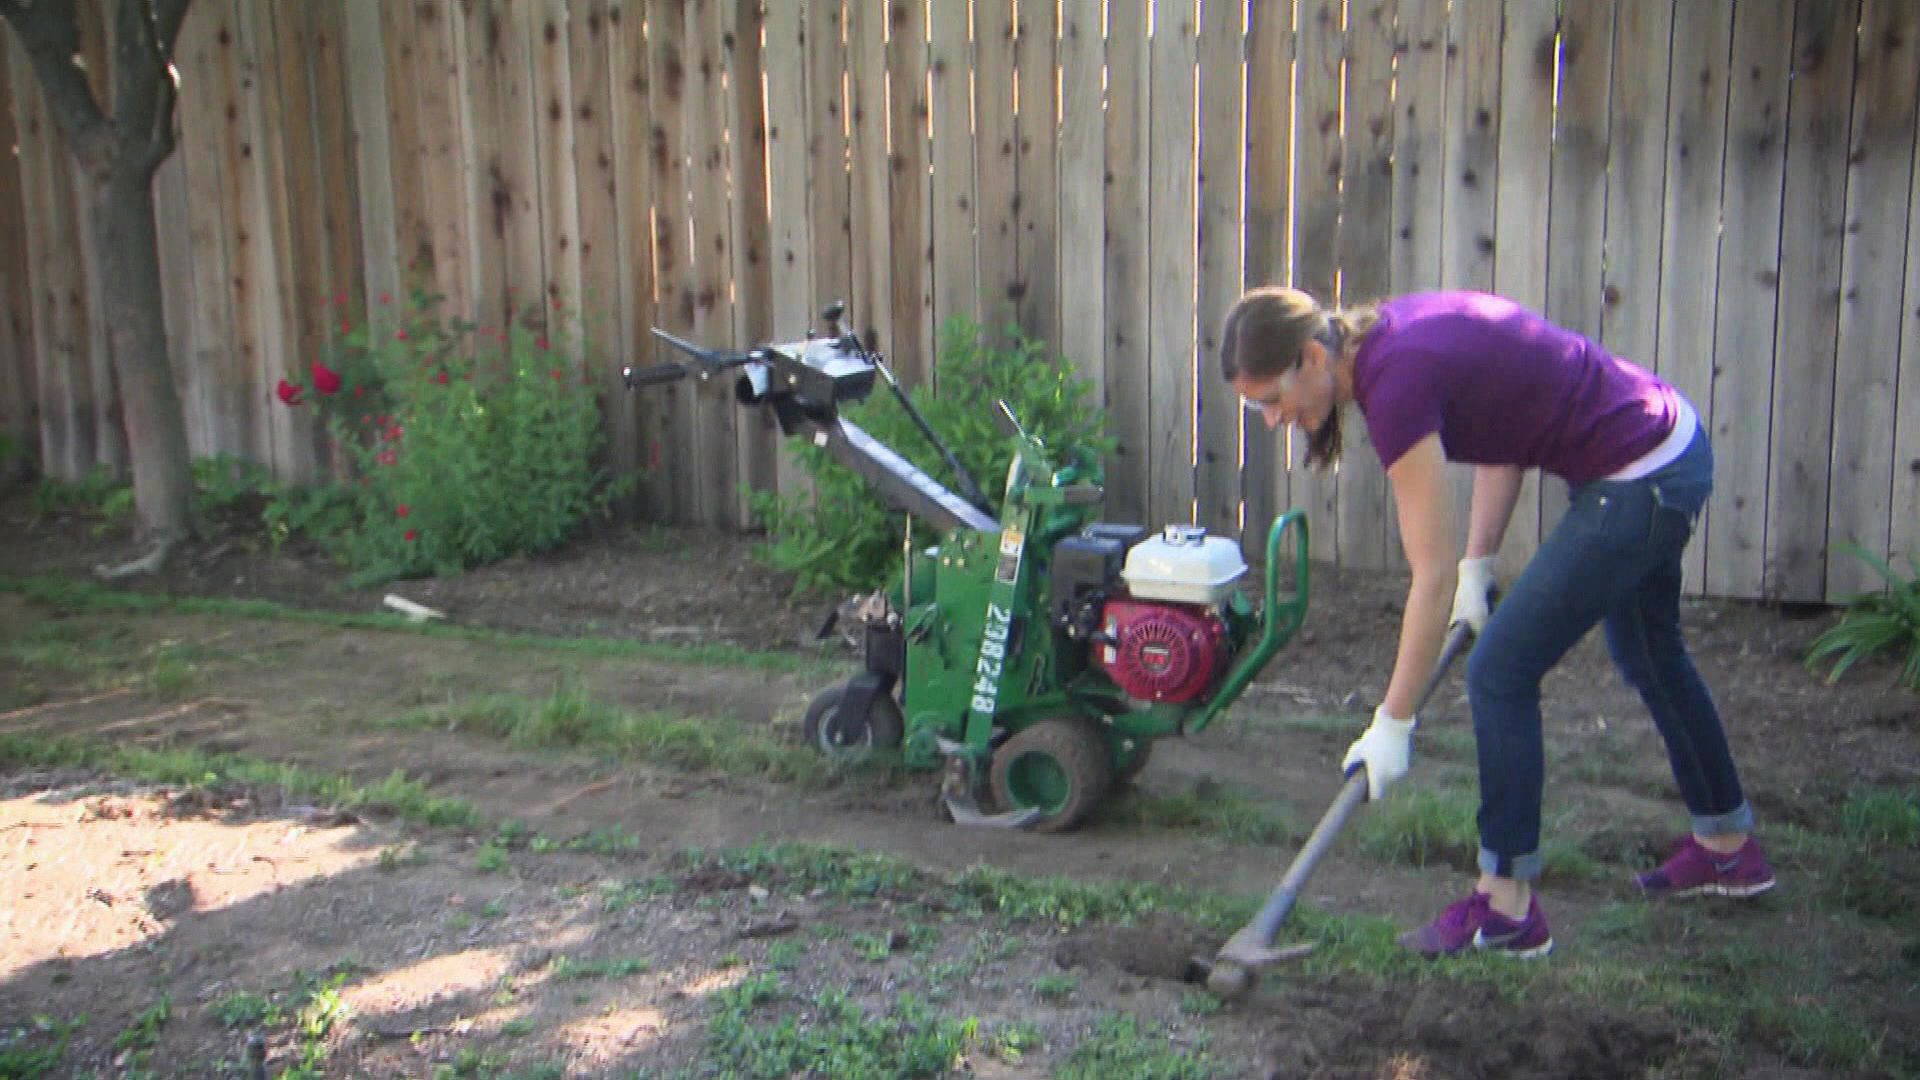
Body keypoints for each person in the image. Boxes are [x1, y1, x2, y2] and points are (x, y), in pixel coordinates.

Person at [1217, 286, 1775, 959]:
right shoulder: (1390, 339)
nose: (1272, 419)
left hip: (1639, 476)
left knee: (1501, 672)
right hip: (1667, 445)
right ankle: (1727, 848)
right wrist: (1479, 565)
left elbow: (1429, 577)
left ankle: (1507, 907)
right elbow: (1502, 431)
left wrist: (1393, 723)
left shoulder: (1396, 383)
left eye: (1271, 398)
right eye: (1255, 407)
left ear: (1311, 356)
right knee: (1648, 653)